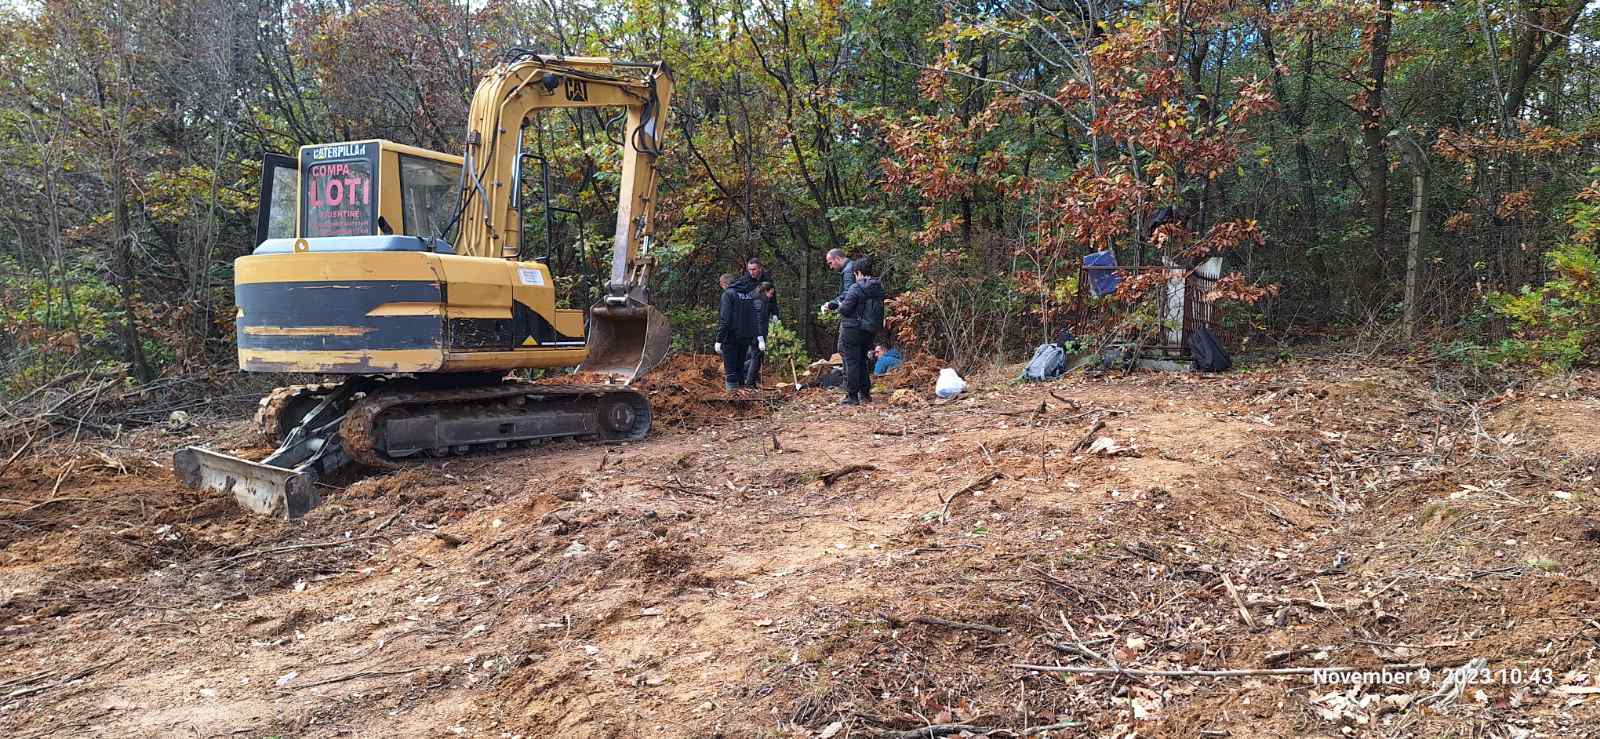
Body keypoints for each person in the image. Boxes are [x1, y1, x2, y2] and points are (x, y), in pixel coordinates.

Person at [835, 256, 884, 405]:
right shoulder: (878, 287)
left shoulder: (856, 288)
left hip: (852, 330)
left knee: (852, 362)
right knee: (863, 361)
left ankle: (852, 396)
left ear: (858, 273)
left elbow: (845, 309)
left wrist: (838, 305)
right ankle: (865, 394)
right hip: (869, 330)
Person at [714, 273, 758, 391]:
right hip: (746, 336)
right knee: (739, 367)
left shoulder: (728, 294)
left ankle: (733, 397)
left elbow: (726, 319)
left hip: (731, 337)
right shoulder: (747, 294)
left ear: (723, 284)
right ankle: (742, 395)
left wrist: (719, 339)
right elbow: (754, 315)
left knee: (730, 369)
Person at [745, 281, 776, 387]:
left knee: (754, 357)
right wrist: (760, 338)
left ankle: (748, 379)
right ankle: (749, 382)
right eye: (770, 293)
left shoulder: (761, 300)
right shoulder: (758, 302)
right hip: (756, 335)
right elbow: (757, 321)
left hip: (756, 334)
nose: (771, 296)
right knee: (756, 359)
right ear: (765, 291)